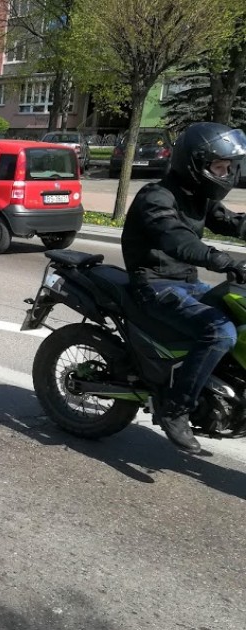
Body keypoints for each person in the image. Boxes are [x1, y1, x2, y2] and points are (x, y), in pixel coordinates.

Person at [122, 122, 246, 453]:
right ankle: (176, 409)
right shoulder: (156, 197)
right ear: (195, 164)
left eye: (227, 167)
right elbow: (176, 239)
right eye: (218, 167)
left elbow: (232, 222)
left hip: (187, 283)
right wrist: (223, 260)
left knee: (239, 317)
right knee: (220, 333)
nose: (224, 174)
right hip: (155, 285)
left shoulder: (198, 197)